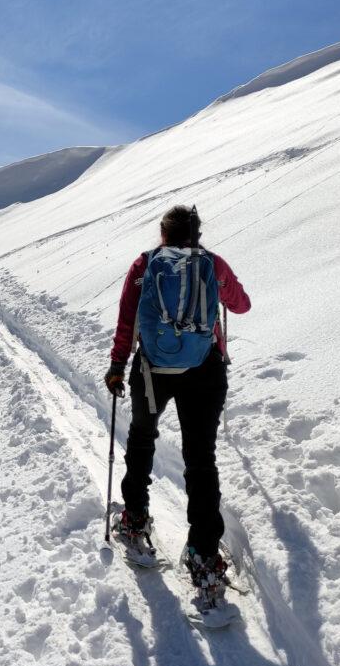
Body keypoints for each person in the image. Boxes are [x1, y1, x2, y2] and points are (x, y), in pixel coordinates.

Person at [104, 205, 250, 593]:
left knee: (141, 437)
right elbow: (241, 304)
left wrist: (118, 364)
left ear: (163, 233)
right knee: (200, 457)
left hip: (152, 370)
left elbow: (127, 318)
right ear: (197, 233)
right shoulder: (212, 264)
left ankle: (134, 521)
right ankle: (204, 556)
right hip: (205, 369)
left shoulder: (145, 264)